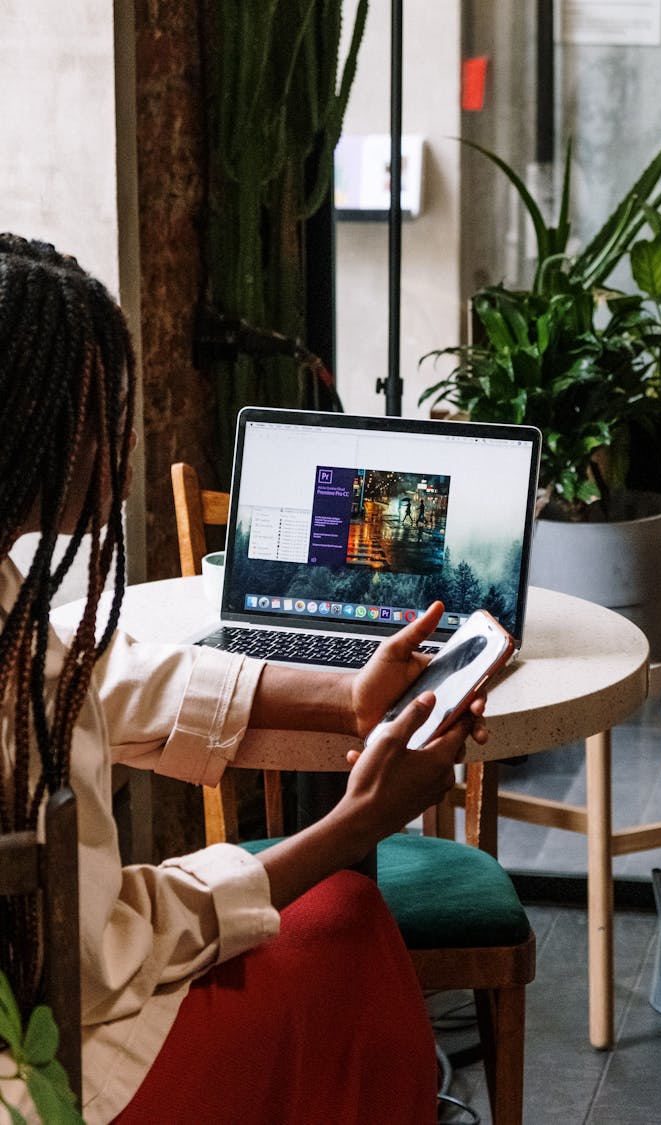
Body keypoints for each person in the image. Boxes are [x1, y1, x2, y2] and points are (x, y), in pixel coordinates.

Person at [0, 236, 488, 1124]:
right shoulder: (17, 687)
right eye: (104, 409)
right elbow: (95, 975)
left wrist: (342, 693)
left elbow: (96, 668)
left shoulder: (16, 622)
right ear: (29, 423)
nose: (128, 433)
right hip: (60, 1079)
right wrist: (356, 822)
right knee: (345, 920)